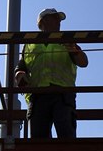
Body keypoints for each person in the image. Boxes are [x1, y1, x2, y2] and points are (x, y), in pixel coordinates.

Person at [14, 8, 88, 140]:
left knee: (67, 138)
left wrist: (74, 49)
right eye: (55, 18)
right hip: (38, 97)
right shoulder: (30, 44)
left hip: (63, 94)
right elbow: (21, 67)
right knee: (39, 141)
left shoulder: (66, 39)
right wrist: (19, 74)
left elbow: (83, 62)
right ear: (43, 21)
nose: (59, 22)